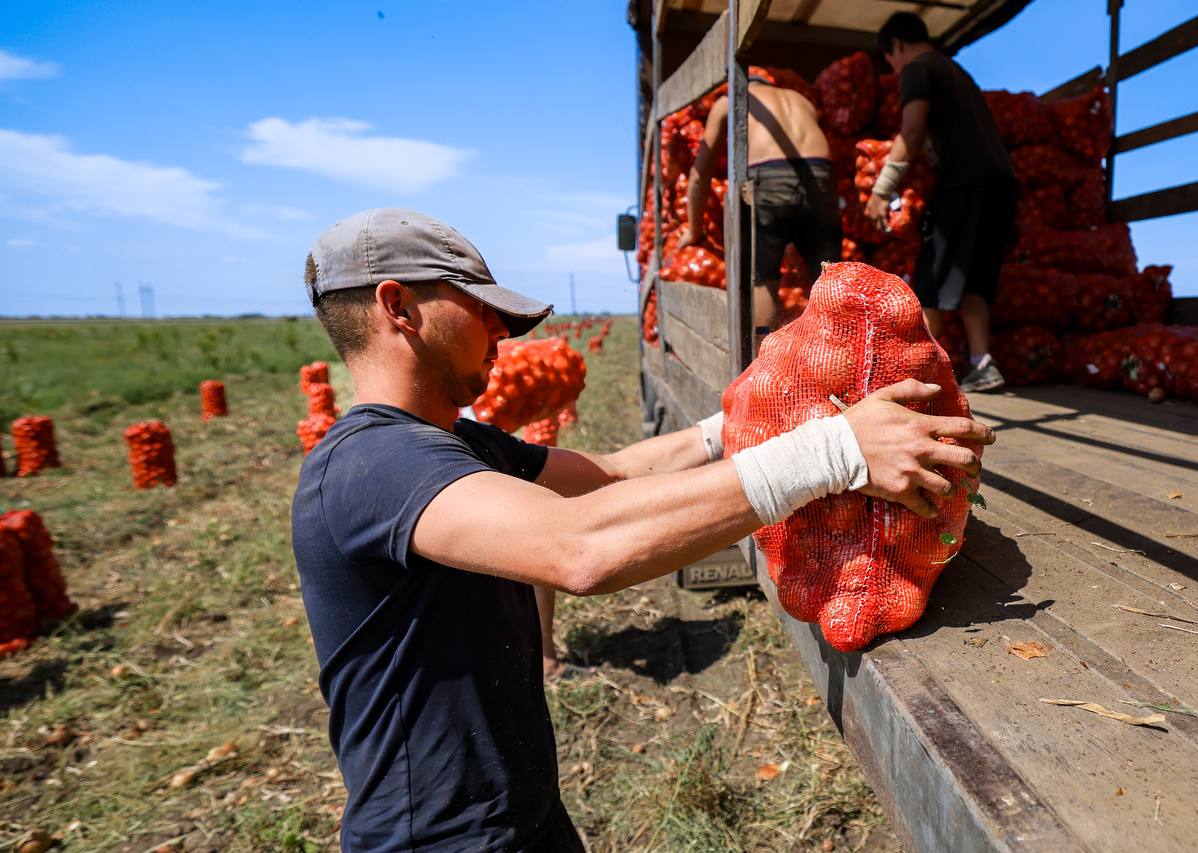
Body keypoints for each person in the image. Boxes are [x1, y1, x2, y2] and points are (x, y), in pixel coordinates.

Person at [291, 208, 995, 852]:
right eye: (479, 307)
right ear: (398, 306)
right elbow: (578, 547)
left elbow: (612, 474)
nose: (500, 332)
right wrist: (831, 451)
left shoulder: (461, 447)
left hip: (519, 815)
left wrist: (771, 414)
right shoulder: (369, 464)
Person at [866, 12, 1018, 393]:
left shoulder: (918, 68)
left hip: (965, 180)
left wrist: (882, 189)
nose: (895, 66)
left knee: (930, 275)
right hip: (1000, 182)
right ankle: (983, 363)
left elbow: (912, 129)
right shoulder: (956, 71)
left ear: (896, 46)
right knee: (976, 277)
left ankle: (928, 371)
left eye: (891, 60)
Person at [677, 74, 841, 334]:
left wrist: (693, 230)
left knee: (763, 276)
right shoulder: (801, 100)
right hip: (821, 174)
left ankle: (762, 358)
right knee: (831, 274)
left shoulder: (730, 101)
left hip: (770, 175)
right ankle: (841, 347)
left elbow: (700, 174)